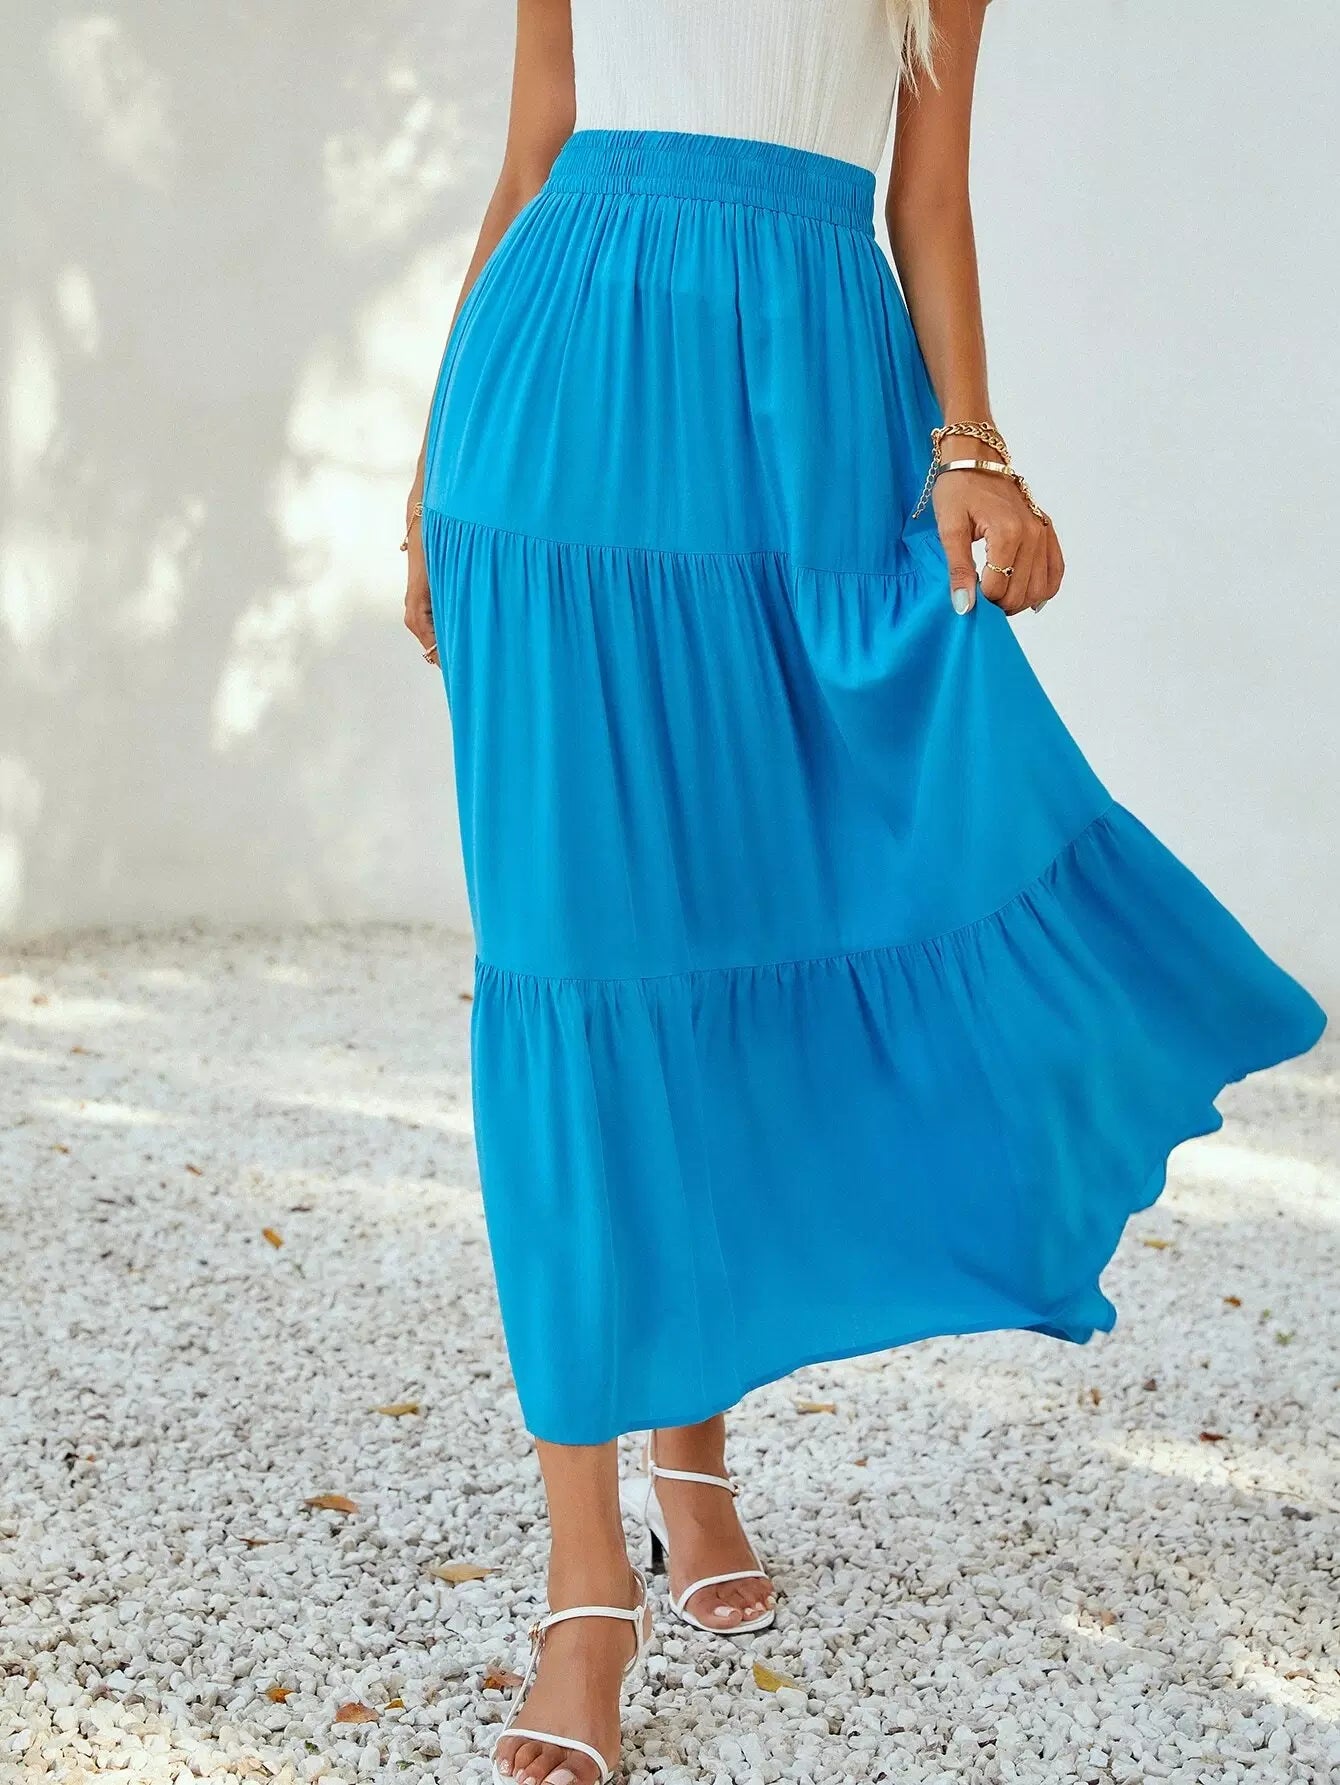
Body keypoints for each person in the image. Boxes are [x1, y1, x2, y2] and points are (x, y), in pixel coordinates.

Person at [399, 4, 1325, 1781]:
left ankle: (693, 1454)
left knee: (737, 928)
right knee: (574, 969)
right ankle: (585, 1579)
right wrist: (437, 468)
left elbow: (928, 197)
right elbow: (531, 155)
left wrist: (972, 445)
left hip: (808, 410)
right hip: (557, 409)